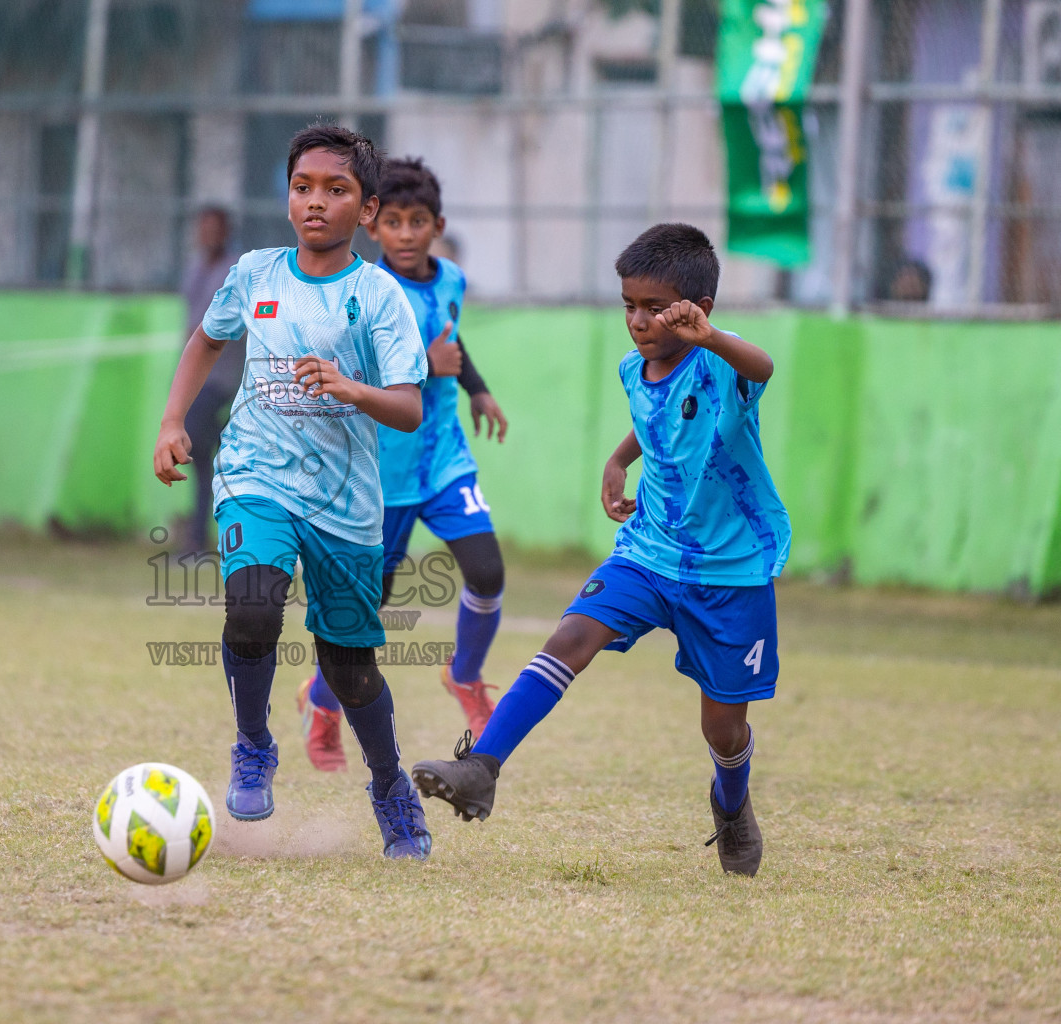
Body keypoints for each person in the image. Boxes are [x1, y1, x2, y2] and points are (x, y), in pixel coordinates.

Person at [412, 224, 790, 877]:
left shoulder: (722, 364)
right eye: (629, 305)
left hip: (731, 572)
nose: (639, 320)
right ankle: (481, 768)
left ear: (696, 307)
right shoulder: (630, 369)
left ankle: (731, 805)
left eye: (654, 307)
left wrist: (714, 337)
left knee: (723, 732)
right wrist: (619, 459)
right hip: (648, 552)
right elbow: (657, 418)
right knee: (569, 640)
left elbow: (764, 367)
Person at [152, 124, 434, 859]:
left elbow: (408, 407)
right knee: (251, 607)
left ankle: (389, 786)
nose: (315, 202)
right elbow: (207, 339)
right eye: (303, 187)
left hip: (345, 504)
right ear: (287, 199)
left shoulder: (378, 297)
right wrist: (173, 419)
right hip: (254, 477)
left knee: (350, 668)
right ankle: (252, 745)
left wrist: (352, 388)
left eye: (336, 190)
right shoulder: (254, 275)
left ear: (367, 211)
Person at [295, 157, 511, 772]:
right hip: (379, 472)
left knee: (487, 571)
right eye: (394, 222)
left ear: (436, 225)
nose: (408, 234)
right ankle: (322, 704)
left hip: (443, 462)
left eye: (418, 221)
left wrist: (477, 388)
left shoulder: (452, 282)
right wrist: (426, 368)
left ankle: (464, 677)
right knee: (365, 611)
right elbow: (354, 372)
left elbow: (450, 342)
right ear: (374, 227)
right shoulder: (362, 292)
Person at [178, 206, 240, 552]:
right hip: (198, 377)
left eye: (215, 229)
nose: (209, 235)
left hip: (223, 379)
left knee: (198, 444)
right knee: (202, 456)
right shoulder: (193, 269)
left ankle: (203, 536)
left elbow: (214, 328)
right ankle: (199, 535)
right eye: (204, 228)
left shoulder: (235, 270)